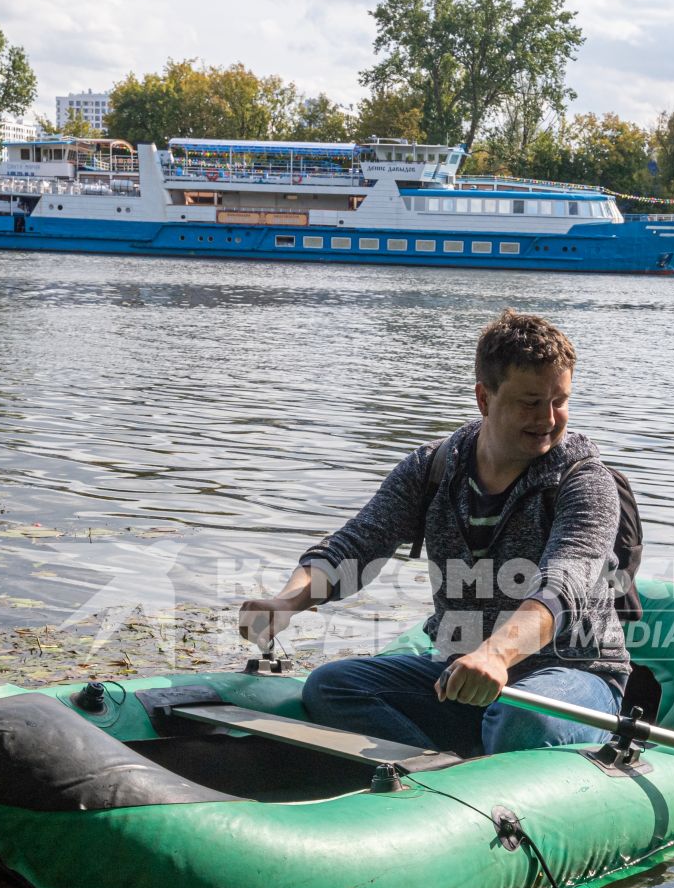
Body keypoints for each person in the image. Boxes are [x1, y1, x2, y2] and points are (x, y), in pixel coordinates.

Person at [239, 309, 628, 758]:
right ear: (484, 398)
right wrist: (287, 601)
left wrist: (497, 655)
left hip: (573, 675)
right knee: (332, 686)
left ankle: (480, 776)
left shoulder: (585, 480)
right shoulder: (432, 469)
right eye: (530, 401)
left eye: (559, 400)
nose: (548, 418)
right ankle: (434, 776)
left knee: (521, 718)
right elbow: (356, 545)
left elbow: (564, 585)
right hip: (461, 671)